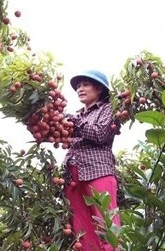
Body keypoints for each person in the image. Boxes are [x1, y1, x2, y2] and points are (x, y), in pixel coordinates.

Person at [63, 69, 121, 251]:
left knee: (107, 225)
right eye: (78, 86)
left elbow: (100, 134)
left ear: (99, 89)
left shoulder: (108, 109)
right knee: (82, 229)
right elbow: (60, 137)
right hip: (73, 177)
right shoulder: (77, 116)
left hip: (98, 172)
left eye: (85, 84)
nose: (80, 89)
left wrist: (74, 123)